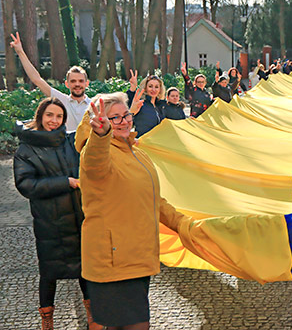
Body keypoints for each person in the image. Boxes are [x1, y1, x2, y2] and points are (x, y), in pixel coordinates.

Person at [74, 93, 189, 329]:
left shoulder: (137, 153)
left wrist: (185, 225)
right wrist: (101, 134)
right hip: (113, 259)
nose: (124, 121)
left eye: (125, 115)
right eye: (113, 118)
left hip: (137, 256)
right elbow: (95, 161)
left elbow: (154, 201)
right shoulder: (96, 153)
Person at [13, 98, 102, 330]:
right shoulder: (26, 149)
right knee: (49, 271)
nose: (54, 121)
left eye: (59, 117)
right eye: (49, 115)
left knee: (85, 267)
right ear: (40, 116)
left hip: (78, 217)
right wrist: (66, 183)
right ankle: (47, 318)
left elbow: (95, 147)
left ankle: (92, 313)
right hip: (49, 221)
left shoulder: (69, 141)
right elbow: (25, 185)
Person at [10, 32, 90, 131]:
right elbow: (37, 79)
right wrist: (20, 51)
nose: (77, 84)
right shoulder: (61, 100)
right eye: (73, 81)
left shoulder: (94, 105)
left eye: (80, 81)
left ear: (87, 83)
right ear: (67, 84)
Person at [127, 70, 166, 137]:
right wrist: (132, 89)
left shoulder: (161, 106)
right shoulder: (140, 103)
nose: (153, 90)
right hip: (142, 142)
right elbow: (128, 105)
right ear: (145, 88)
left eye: (156, 87)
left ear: (160, 89)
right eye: (150, 86)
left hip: (157, 143)